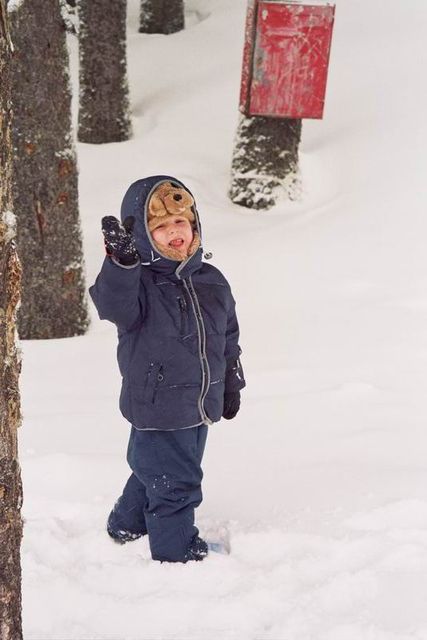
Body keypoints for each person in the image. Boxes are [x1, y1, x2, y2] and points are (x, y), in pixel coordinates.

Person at [89, 176, 245, 563]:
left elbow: (227, 336)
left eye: (180, 222)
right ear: (142, 236)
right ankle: (176, 553)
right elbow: (112, 305)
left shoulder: (211, 280)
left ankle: (127, 524)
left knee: (155, 469)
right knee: (176, 483)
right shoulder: (138, 284)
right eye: (160, 226)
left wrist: (231, 383)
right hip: (158, 403)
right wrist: (122, 264)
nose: (175, 231)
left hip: (200, 403)